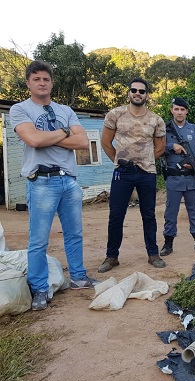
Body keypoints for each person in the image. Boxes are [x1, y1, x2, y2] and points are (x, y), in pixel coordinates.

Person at [9, 60, 98, 310]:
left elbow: (83, 143)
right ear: (28, 83)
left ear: (52, 83)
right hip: (41, 181)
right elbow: (34, 140)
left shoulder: (65, 110)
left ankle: (78, 277)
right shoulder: (20, 109)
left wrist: (50, 137)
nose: (42, 83)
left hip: (68, 180)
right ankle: (39, 288)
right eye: (36, 79)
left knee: (74, 233)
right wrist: (66, 133)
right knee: (38, 240)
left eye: (46, 79)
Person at [98, 77, 167, 272]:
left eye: (142, 91)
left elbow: (160, 147)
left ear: (147, 95)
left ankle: (153, 254)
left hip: (147, 173)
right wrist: (119, 160)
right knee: (116, 215)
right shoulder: (115, 114)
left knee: (149, 215)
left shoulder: (156, 119)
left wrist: (145, 160)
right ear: (129, 93)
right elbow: (105, 142)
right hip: (123, 172)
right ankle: (112, 257)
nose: (138, 93)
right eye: (134, 90)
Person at [159, 98, 195, 256]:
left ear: (186, 111)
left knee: (194, 212)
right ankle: (168, 243)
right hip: (173, 179)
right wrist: (171, 146)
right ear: (171, 110)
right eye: (176, 109)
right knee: (170, 213)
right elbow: (157, 148)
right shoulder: (164, 130)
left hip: (191, 179)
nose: (179, 112)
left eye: (182, 109)